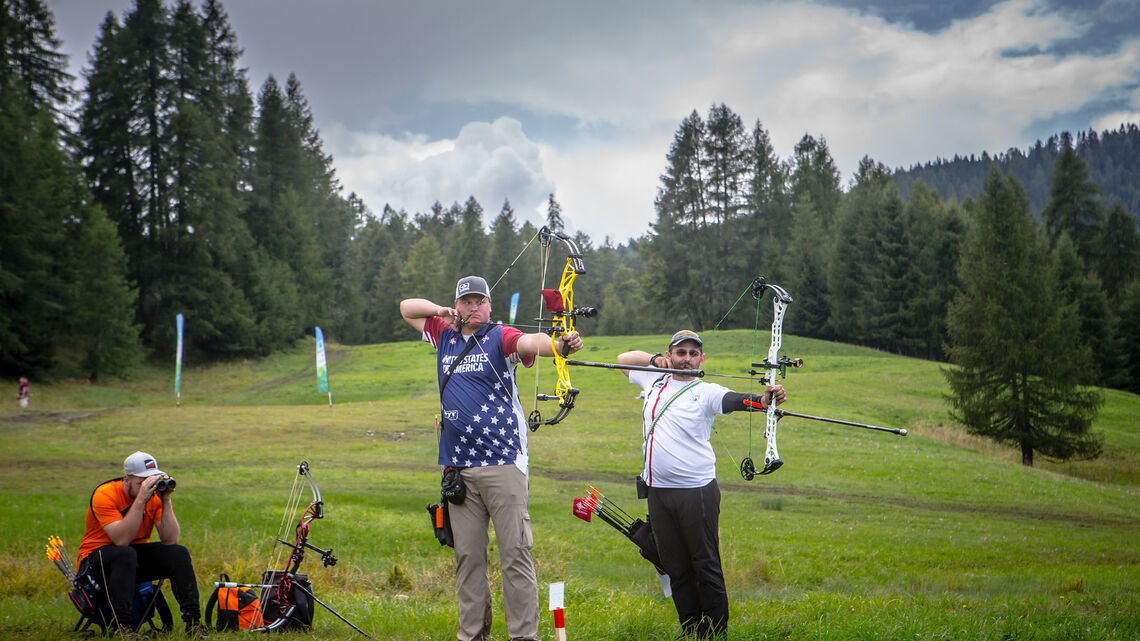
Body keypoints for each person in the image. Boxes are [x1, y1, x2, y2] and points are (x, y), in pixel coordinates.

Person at [400, 275, 584, 641]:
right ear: (457, 305)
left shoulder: (501, 336)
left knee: (515, 553)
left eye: (479, 301)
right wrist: (441, 311)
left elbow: (530, 342)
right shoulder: (444, 334)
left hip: (503, 463)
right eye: (465, 302)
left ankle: (523, 636)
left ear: (489, 304)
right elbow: (407, 308)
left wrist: (559, 344)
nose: (473, 308)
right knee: (468, 558)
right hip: (458, 468)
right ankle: (472, 635)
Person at [616, 330, 786, 639]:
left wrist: (764, 400)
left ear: (702, 359)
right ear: (670, 355)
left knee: (705, 563)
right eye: (680, 352)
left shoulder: (705, 391)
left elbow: (735, 400)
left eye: (693, 353)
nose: (687, 359)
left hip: (696, 493)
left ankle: (715, 632)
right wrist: (654, 360)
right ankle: (691, 628)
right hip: (658, 492)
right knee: (675, 565)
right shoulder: (653, 380)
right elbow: (622, 359)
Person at [76, 451, 207, 638]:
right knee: (126, 553)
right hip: (94, 562)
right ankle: (122, 627)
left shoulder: (154, 497)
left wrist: (166, 500)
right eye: (141, 482)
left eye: (151, 481)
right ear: (126, 480)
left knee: (178, 553)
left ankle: (193, 623)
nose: (147, 487)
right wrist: (140, 500)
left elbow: (170, 539)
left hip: (130, 560)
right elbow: (121, 540)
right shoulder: (105, 494)